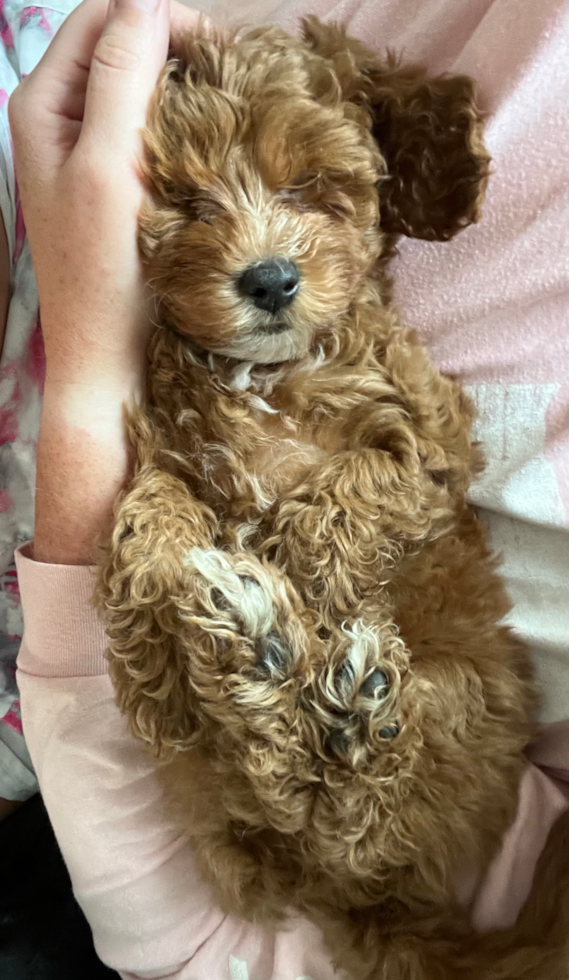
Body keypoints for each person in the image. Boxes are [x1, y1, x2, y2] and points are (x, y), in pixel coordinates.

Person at [4, 0, 569, 977]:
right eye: (189, 205)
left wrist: (90, 390)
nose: (262, 251)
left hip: (267, 813)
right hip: (422, 771)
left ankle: (308, 711)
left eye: (308, 188)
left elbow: (176, 940)